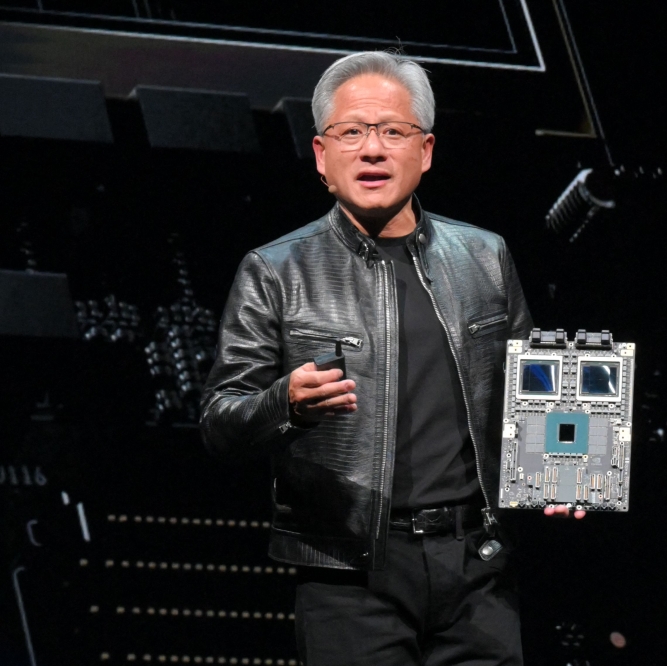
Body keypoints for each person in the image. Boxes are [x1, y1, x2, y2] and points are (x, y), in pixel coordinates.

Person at [200, 51, 577, 665]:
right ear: (322, 157)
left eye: (392, 131)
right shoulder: (275, 271)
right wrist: (284, 404)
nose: (372, 150)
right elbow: (219, 422)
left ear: (424, 151)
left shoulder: (485, 257)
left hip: (478, 566)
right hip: (349, 574)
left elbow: (530, 391)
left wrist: (559, 477)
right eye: (351, 132)